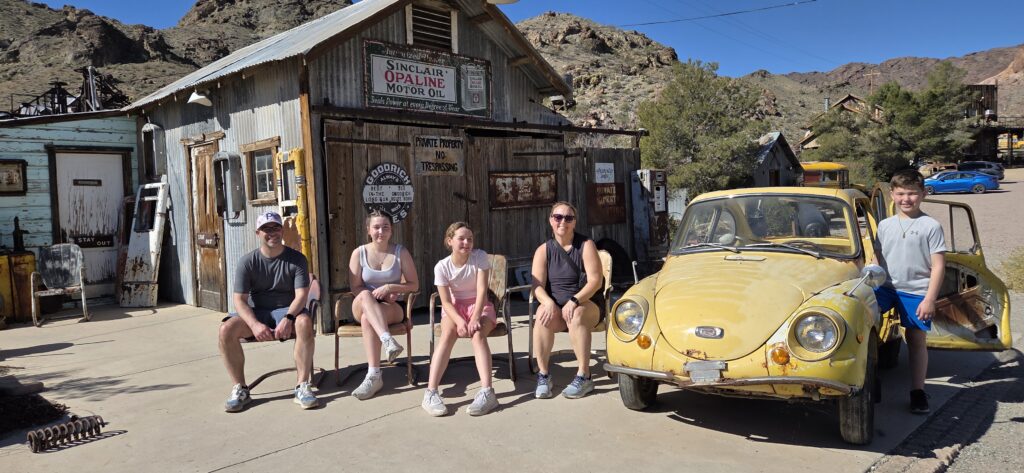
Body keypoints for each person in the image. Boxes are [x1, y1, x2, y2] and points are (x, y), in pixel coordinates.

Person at [218, 211, 317, 412]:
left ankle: (302, 385)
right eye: (266, 229)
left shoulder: (297, 259)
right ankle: (240, 388)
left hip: (287, 310)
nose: (272, 233)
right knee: (226, 330)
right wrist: (254, 324)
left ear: (282, 230)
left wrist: (289, 318)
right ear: (258, 233)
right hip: (258, 311)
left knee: (304, 322)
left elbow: (301, 295)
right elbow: (239, 299)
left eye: (275, 228)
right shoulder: (248, 262)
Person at [873, 169, 946, 414]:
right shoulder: (884, 225)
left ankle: (917, 391)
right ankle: (864, 380)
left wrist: (929, 299)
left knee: (915, 340)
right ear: (892, 194)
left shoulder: (931, 226)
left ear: (923, 194)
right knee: (861, 326)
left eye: (912, 193)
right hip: (884, 288)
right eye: (901, 193)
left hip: (916, 292)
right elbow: (876, 257)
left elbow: (938, 266)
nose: (906, 199)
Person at [422, 222, 499, 416]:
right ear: (450, 241)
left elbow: (482, 290)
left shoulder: (479, 257)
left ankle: (487, 392)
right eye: (461, 239)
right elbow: (446, 301)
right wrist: (459, 320)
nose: (466, 242)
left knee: (478, 335)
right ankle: (430, 392)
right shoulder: (441, 267)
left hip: (479, 306)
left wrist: (474, 318)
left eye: (470, 239)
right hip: (454, 308)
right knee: (447, 334)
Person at [530, 201, 604, 399]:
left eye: (568, 218)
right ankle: (544, 374)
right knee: (541, 314)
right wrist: (547, 302)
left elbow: (595, 281)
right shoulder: (543, 250)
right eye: (558, 217)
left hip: (586, 304)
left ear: (574, 222)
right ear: (551, 221)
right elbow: (537, 286)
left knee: (577, 314)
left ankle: (584, 375)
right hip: (557, 308)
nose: (563, 221)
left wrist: (574, 300)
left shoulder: (585, 245)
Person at [348, 210, 419, 400]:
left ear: (391, 230)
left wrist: (389, 287)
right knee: (364, 296)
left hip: (391, 305)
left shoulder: (400, 252)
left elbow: (414, 284)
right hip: (362, 302)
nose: (381, 231)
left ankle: (374, 375)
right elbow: (355, 287)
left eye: (385, 227)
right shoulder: (359, 253)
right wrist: (372, 296)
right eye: (376, 227)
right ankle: (387, 339)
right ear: (368, 230)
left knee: (367, 319)